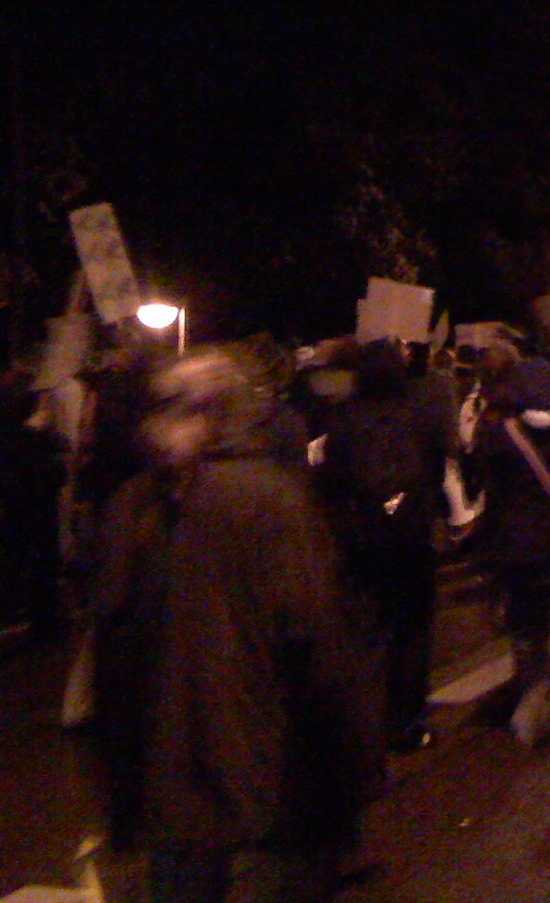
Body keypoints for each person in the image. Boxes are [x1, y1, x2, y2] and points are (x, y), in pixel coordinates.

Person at [94, 347, 379, 903]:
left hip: (175, 782)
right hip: (268, 778)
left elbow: (112, 655)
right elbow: (319, 648)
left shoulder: (132, 505)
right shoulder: (271, 500)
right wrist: (348, 773)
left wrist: (122, 786)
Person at [318, 340, 449, 752]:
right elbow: (435, 472)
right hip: (411, 541)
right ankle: (407, 723)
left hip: (362, 543)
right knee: (412, 634)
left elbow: (332, 483)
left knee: (367, 635)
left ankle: (364, 725)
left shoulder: (343, 420)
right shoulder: (420, 416)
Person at [471, 351, 550, 745]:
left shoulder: (499, 436)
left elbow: (489, 493)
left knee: (525, 628)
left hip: (514, 549)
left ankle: (528, 695)